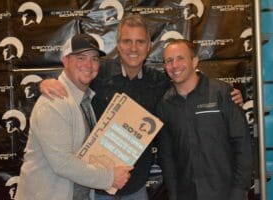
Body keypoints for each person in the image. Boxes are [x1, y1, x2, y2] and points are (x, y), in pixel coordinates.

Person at [39, 14, 244, 200]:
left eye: (140, 42)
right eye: (127, 41)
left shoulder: (160, 82)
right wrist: (50, 83)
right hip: (97, 186)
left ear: (148, 47)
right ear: (118, 45)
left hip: (135, 188)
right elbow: (74, 75)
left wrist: (226, 94)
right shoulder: (97, 74)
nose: (133, 48)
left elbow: (189, 81)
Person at [14, 34, 132, 200]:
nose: (89, 65)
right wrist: (110, 177)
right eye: (81, 57)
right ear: (65, 61)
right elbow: (63, 163)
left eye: (95, 59)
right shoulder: (54, 102)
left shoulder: (83, 99)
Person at [157, 39, 253, 200]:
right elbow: (167, 157)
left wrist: (239, 191)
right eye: (169, 60)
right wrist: (174, 195)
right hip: (186, 194)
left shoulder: (223, 93)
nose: (175, 65)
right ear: (165, 67)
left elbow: (242, 144)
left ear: (194, 61)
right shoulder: (165, 105)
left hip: (226, 193)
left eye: (181, 58)